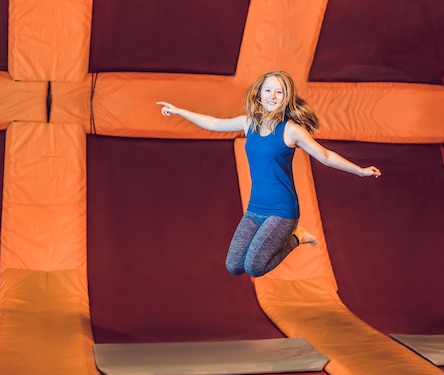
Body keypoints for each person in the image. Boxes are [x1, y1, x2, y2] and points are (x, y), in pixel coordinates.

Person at [157, 70, 381, 278]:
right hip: (255, 209)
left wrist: (359, 171)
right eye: (268, 90)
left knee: (254, 267)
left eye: (279, 91)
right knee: (234, 265)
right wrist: (179, 111)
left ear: (286, 97)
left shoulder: (291, 130)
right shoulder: (249, 123)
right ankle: (293, 237)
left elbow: (324, 155)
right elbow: (215, 123)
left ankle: (297, 237)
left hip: (282, 211)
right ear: (260, 93)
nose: (272, 96)